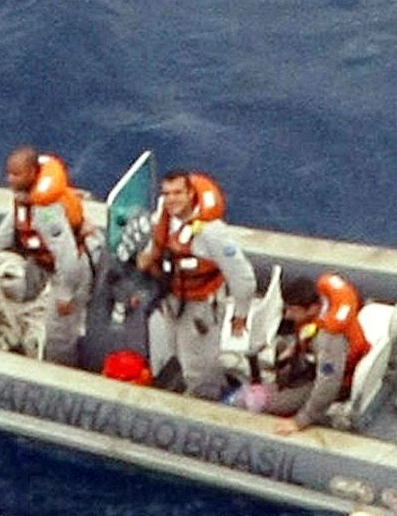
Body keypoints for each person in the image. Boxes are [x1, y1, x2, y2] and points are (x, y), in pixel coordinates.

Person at [132, 169, 256, 400]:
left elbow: (244, 278)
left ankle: (205, 401)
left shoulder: (212, 233)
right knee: (177, 350)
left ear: (190, 194)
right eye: (167, 193)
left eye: (178, 193)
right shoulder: (166, 216)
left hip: (200, 307)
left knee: (198, 365)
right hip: (172, 298)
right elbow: (159, 243)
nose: (171, 199)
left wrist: (241, 315)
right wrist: (149, 256)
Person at [0, 146, 92, 364]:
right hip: (40, 262)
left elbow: (68, 257)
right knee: (23, 293)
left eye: (16, 174)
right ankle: (15, 319)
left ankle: (60, 369)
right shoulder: (22, 198)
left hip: (67, 272)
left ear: (32, 173)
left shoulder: (47, 212)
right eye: (8, 173)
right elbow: (9, 228)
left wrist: (66, 294)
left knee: (59, 333)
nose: (10, 179)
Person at [267, 272, 370, 435]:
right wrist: (295, 348)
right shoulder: (322, 307)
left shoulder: (329, 341)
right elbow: (308, 331)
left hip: (340, 380)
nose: (287, 315)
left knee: (273, 405)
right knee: (281, 345)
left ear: (313, 308)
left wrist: (301, 421)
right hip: (315, 361)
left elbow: (328, 384)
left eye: (293, 310)